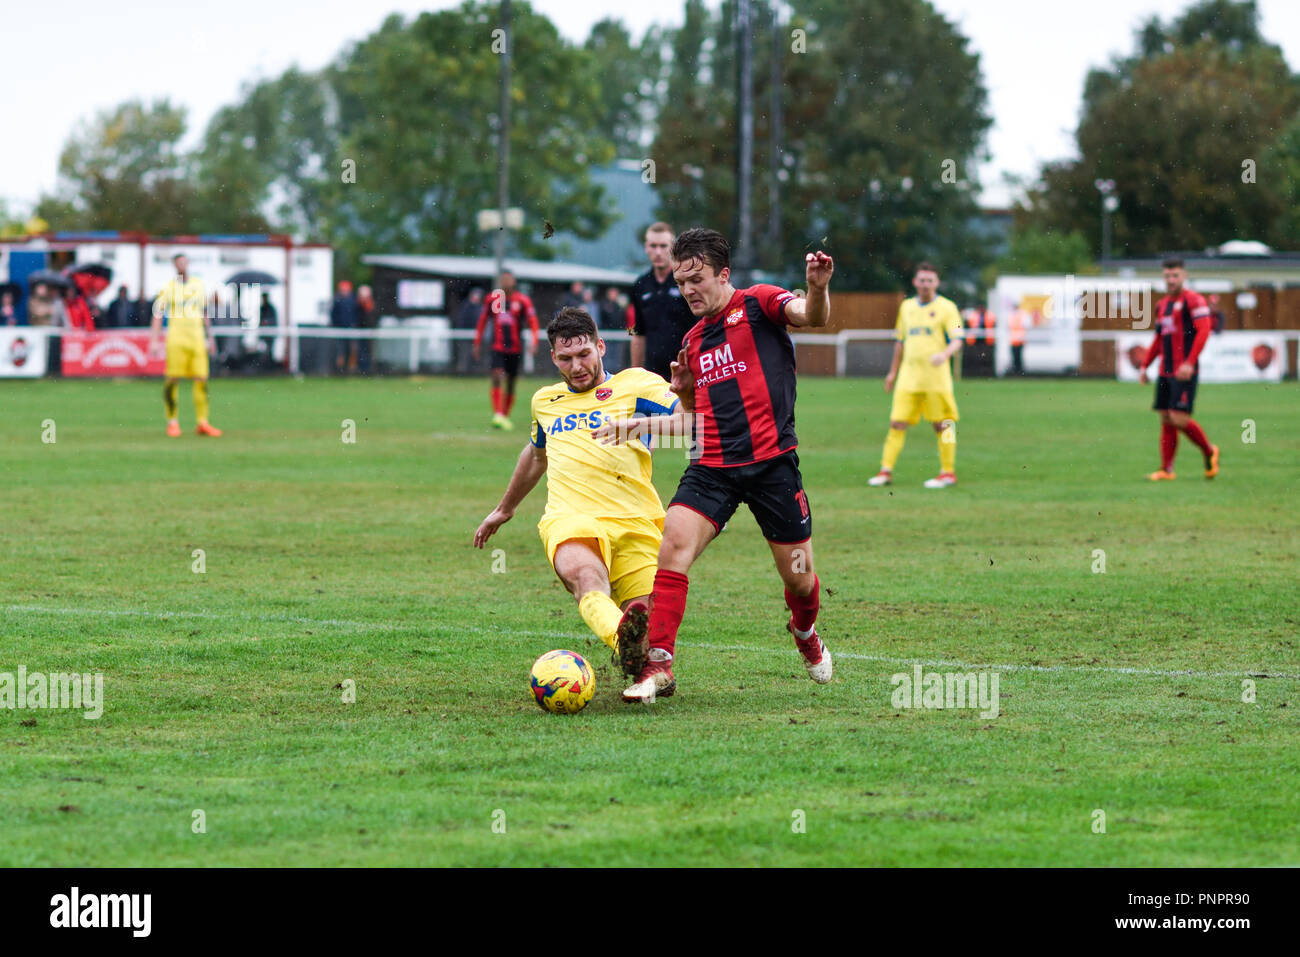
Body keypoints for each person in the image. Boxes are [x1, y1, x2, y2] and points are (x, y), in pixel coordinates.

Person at [612, 227, 835, 704]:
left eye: (697, 278)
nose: (688, 290)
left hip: (773, 466)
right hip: (710, 466)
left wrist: (816, 287)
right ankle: (659, 666)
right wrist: (667, 407)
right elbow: (694, 423)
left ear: (723, 274)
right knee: (672, 547)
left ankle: (804, 629)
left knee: (799, 577)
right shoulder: (692, 342)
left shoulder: (760, 303)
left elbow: (811, 317)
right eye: (681, 281)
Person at [473, 307, 685, 679]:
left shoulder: (636, 385)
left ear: (600, 346)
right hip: (571, 518)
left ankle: (644, 662)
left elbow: (692, 420)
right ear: (553, 357)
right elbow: (536, 455)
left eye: (584, 354)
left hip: (636, 521)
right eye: (566, 359)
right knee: (587, 578)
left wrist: (644, 423)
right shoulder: (545, 401)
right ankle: (626, 645)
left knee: (646, 617)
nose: (576, 366)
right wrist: (504, 509)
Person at [867, 262, 964, 489]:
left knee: (944, 425)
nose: (925, 284)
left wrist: (944, 354)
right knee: (896, 423)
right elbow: (900, 342)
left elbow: (958, 338)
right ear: (915, 282)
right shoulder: (907, 307)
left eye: (930, 280)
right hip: (908, 379)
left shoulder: (948, 307)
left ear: (937, 283)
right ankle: (885, 471)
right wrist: (892, 373)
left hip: (936, 380)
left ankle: (948, 472)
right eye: (922, 280)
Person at [1136, 258, 1219, 481]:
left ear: (1184, 276)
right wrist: (1145, 365)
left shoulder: (1194, 300)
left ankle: (1209, 450)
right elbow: (1158, 338)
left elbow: (1204, 331)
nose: (1171, 280)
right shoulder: (1162, 305)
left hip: (1184, 370)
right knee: (1165, 418)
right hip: (1165, 370)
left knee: (1179, 419)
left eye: (1175, 275)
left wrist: (1190, 362)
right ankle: (1166, 469)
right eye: (1167, 276)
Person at [150, 253, 221, 438]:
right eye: (178, 263)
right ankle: (172, 422)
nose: (182, 265)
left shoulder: (198, 285)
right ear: (175, 266)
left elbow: (204, 313)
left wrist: (210, 337)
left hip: (196, 339)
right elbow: (157, 315)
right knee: (172, 380)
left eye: (184, 261)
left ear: (188, 263)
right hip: (176, 339)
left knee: (201, 380)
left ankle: (202, 422)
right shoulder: (168, 288)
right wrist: (154, 340)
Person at [629, 222, 696, 381]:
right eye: (653, 245)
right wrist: (634, 375)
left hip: (685, 371)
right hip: (652, 375)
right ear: (646, 247)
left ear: (673, 247)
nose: (658, 252)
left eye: (663, 246)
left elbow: (700, 328)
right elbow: (637, 333)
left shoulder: (686, 280)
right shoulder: (640, 284)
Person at [472, 270, 539, 429]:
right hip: (497, 346)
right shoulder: (493, 299)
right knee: (496, 375)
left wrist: (534, 341)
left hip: (515, 348)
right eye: (503, 279)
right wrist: (477, 342)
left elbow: (533, 322)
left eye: (508, 279)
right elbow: (482, 321)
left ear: (514, 281)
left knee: (510, 383)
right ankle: (498, 414)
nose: (506, 282)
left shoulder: (522, 300)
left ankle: (505, 415)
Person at [330, 280, 359, 373]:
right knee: (340, 351)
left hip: (351, 329)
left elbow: (356, 315)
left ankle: (351, 369)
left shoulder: (353, 301)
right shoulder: (337, 300)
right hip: (340, 329)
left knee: (352, 350)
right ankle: (340, 370)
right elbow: (334, 315)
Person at [356, 284, 376, 374]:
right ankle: (361, 368)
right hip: (360, 332)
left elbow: (372, 318)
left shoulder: (371, 305)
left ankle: (368, 369)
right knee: (360, 351)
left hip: (369, 332)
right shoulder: (357, 305)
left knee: (368, 351)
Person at [1008, 305, 1027, 375]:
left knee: (1017, 357)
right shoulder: (1020, 315)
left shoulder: (1015, 315)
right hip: (1015, 340)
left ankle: (1018, 371)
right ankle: (1018, 371)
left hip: (1018, 340)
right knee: (1017, 357)